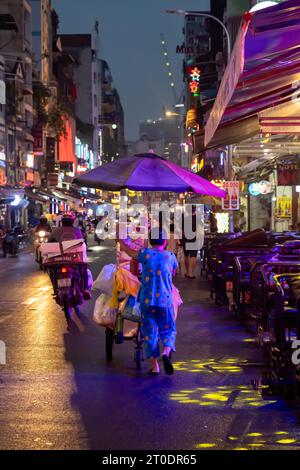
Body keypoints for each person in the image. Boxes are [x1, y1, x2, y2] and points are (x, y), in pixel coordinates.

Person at [119, 227, 178, 376]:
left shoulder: (145, 254)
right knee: (168, 329)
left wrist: (120, 240)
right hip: (165, 302)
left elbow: (129, 251)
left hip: (147, 301)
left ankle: (155, 366)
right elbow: (174, 272)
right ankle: (165, 352)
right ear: (165, 242)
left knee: (149, 334)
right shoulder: (171, 256)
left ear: (150, 242)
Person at [182, 205, 198, 279]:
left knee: (186, 255)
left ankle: (187, 272)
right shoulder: (197, 219)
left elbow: (182, 231)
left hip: (186, 238)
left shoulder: (184, 219)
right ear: (194, 210)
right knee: (193, 256)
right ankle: (191, 273)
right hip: (194, 238)